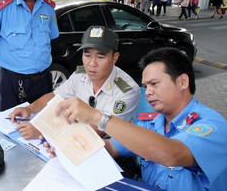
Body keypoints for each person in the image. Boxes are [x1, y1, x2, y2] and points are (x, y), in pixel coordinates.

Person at [45, 47, 227, 191]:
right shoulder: (149, 123)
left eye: (154, 84)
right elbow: (108, 147)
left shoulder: (211, 126)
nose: (147, 92)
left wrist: (97, 116)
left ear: (182, 82)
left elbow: (171, 153)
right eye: (145, 86)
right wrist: (65, 145)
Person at [9, 26, 140, 140]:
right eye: (87, 55)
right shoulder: (80, 75)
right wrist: (29, 108)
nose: (92, 63)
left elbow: (96, 131)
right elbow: (55, 96)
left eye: (100, 57)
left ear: (114, 57)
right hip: (73, 138)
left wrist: (45, 130)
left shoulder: (127, 90)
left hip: (110, 149)